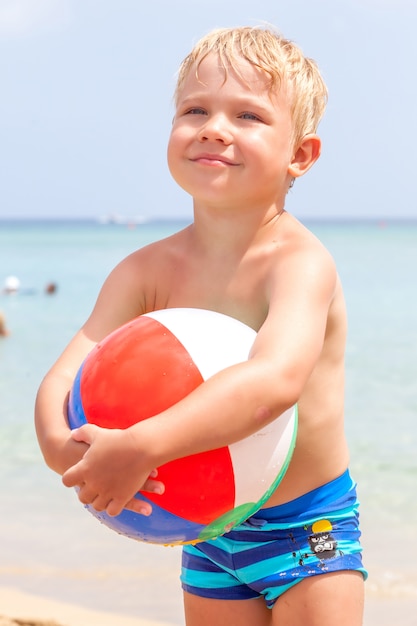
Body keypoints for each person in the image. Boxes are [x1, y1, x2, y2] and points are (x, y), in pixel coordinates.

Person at [35, 25, 367, 626]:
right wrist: (67, 452)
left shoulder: (298, 264)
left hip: (307, 525)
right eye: (195, 109)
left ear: (301, 155)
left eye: (248, 115)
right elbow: (65, 379)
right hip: (204, 525)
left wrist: (141, 445)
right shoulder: (145, 269)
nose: (215, 127)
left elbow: (273, 383)